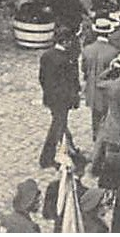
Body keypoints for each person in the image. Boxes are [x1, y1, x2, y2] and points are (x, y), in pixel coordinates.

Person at [38, 35, 80, 168]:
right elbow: (71, 82)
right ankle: (47, 157)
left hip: (50, 97)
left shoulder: (46, 55)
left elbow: (42, 78)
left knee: (61, 123)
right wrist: (74, 98)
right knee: (58, 125)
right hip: (62, 99)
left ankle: (70, 146)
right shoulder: (67, 59)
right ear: (65, 41)